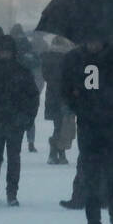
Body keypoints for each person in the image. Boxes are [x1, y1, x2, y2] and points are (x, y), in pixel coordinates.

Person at [60, 37, 113, 224]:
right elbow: (66, 89)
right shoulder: (77, 60)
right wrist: (78, 103)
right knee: (91, 177)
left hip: (112, 125)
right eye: (89, 40)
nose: (92, 44)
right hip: (90, 126)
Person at [0, 35, 40, 207]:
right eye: (2, 51)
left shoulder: (21, 71)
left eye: (8, 51)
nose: (5, 54)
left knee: (12, 158)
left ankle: (11, 192)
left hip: (13, 121)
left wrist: (28, 118)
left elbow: (33, 96)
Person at [41, 35, 76, 165]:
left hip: (52, 95)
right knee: (64, 125)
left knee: (59, 125)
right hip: (66, 95)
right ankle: (58, 152)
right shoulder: (69, 58)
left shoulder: (47, 57)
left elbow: (46, 76)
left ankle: (55, 152)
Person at [10, 24, 43, 152]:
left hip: (12, 86)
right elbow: (36, 63)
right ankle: (31, 141)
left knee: (12, 115)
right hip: (27, 86)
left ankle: (14, 140)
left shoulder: (10, 46)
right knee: (29, 115)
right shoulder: (27, 45)